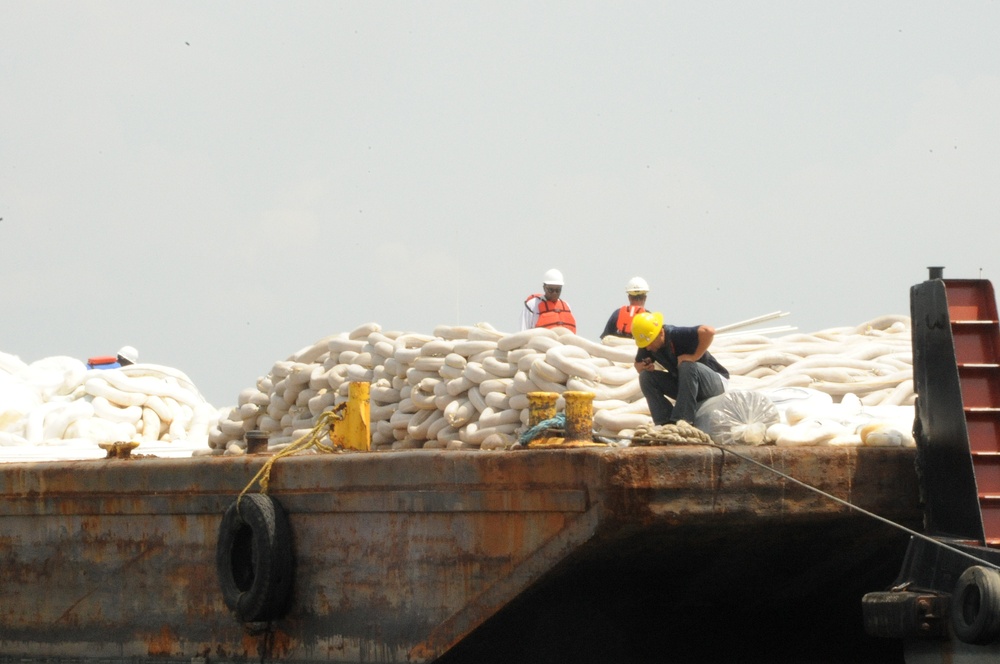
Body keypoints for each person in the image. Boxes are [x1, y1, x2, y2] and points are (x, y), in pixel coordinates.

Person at [631, 311, 729, 426]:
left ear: (661, 333)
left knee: (686, 365)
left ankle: (683, 420)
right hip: (687, 386)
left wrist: (694, 356)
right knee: (646, 377)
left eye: (650, 342)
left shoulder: (675, 334)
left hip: (712, 384)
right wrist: (643, 367)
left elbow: (709, 331)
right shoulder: (649, 345)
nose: (648, 348)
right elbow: (637, 365)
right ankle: (665, 423)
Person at [520, 268, 577, 333]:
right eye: (551, 290)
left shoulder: (567, 306)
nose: (554, 293)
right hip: (540, 341)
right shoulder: (532, 305)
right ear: (544, 287)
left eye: (558, 290)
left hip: (563, 342)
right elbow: (523, 330)